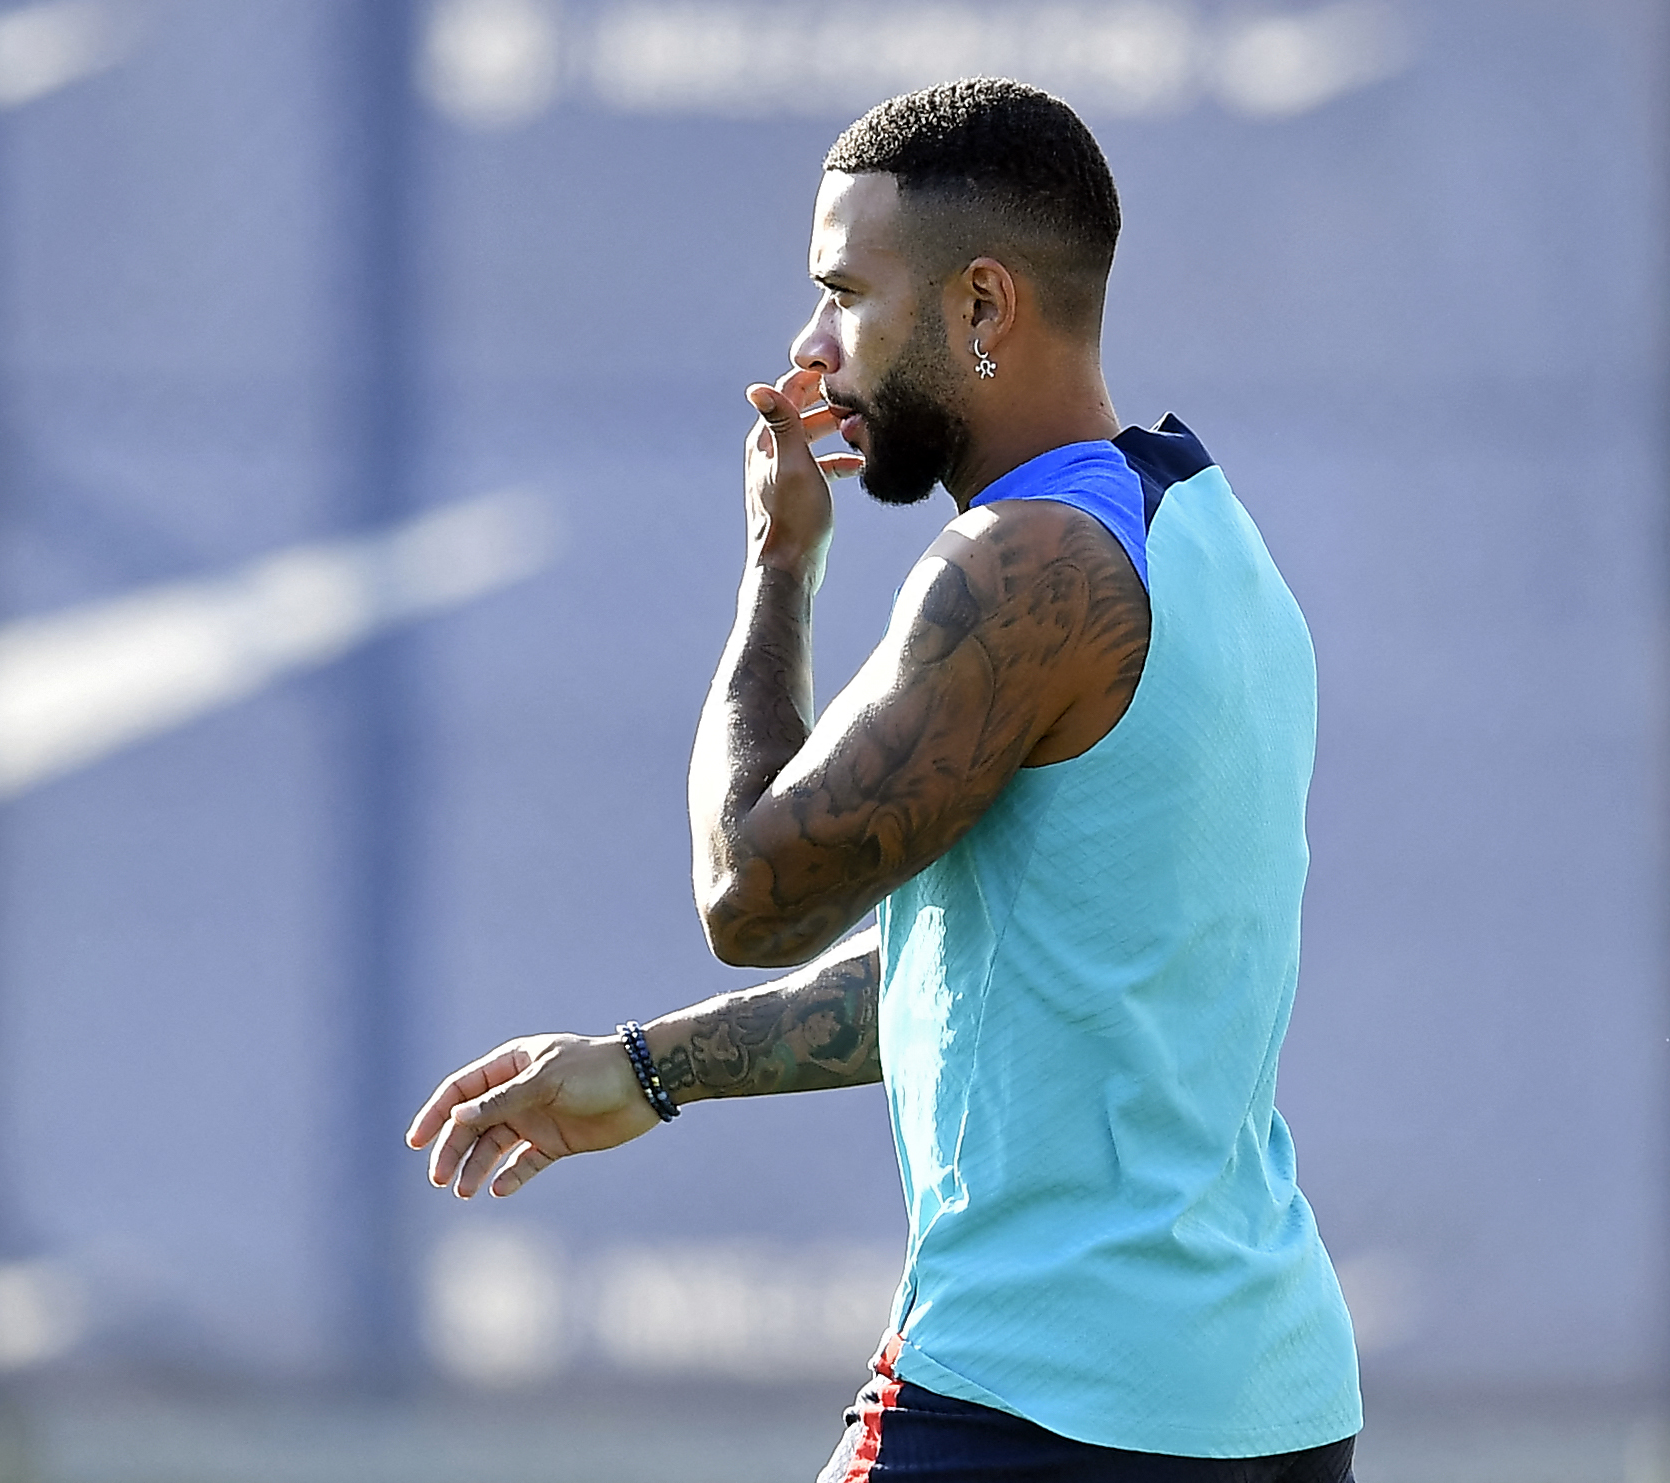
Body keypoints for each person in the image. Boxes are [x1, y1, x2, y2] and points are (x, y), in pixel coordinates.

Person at [405, 78, 1361, 1482]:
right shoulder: (1209, 538)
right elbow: (1003, 969)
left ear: (980, 308)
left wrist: (777, 567)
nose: (809, 348)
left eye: (844, 293)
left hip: (1038, 1406)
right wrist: (648, 1071)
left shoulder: (1025, 566)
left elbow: (747, 891)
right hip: (1265, 1408)